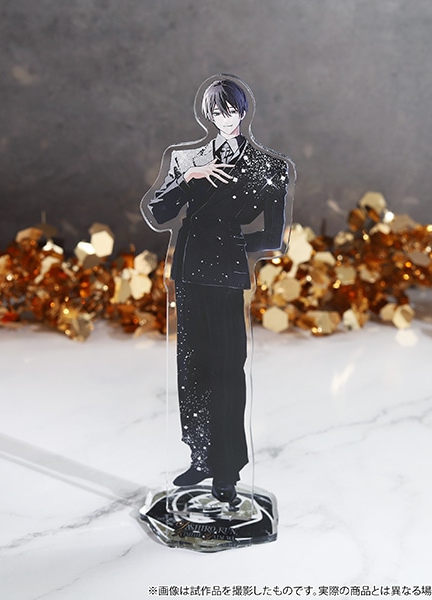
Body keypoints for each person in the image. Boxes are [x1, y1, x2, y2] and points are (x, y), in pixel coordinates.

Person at [141, 76, 293, 506]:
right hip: (189, 273)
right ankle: (200, 455)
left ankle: (226, 470)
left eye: (230, 110)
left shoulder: (269, 167)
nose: (223, 118)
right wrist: (190, 178)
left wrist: (228, 244)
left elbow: (273, 236)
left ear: (243, 112)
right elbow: (158, 212)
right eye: (216, 111)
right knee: (192, 367)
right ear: (207, 114)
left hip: (227, 274)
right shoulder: (186, 159)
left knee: (227, 370)